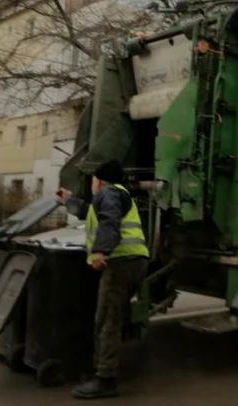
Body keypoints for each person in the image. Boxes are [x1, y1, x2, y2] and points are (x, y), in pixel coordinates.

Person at [57, 160, 149, 400]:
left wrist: (101, 251)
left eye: (93, 180)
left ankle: (105, 379)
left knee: (107, 319)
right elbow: (90, 211)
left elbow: (109, 222)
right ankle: (103, 370)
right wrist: (68, 201)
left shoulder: (109, 194)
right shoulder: (114, 195)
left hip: (120, 262)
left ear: (99, 181)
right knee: (111, 317)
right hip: (130, 261)